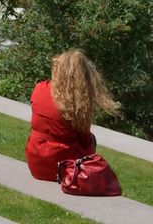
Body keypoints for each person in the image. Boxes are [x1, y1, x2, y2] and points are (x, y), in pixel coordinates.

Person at [27, 49, 119, 182]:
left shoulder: (40, 88)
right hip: (65, 168)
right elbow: (85, 139)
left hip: (36, 163)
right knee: (92, 139)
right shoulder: (77, 103)